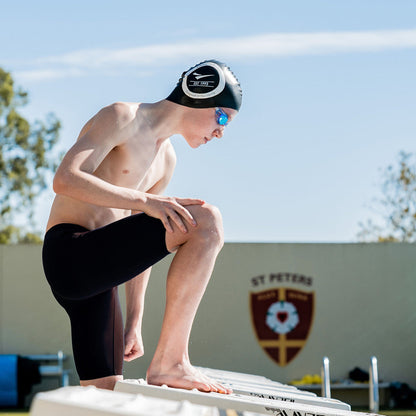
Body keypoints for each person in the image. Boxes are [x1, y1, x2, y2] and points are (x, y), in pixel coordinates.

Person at [42, 60, 242, 392]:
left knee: (105, 398)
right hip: (71, 253)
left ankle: (166, 362)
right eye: (222, 117)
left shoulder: (167, 161)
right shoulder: (124, 118)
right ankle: (172, 362)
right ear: (198, 94)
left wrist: (135, 318)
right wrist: (145, 201)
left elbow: (140, 242)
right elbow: (65, 179)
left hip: (102, 277)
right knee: (206, 221)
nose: (221, 131)